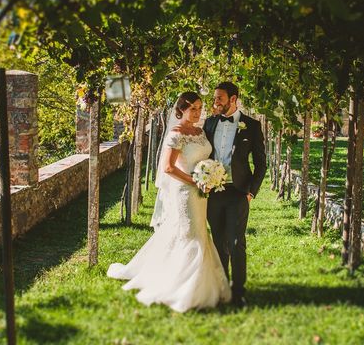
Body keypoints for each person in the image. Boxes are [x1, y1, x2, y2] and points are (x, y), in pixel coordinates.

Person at [107, 91, 231, 312]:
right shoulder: (176, 134)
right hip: (184, 191)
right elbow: (168, 168)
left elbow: (205, 158)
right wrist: (195, 181)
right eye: (192, 108)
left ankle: (201, 285)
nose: (197, 112)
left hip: (201, 192)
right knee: (189, 234)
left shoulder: (200, 132)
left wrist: (211, 175)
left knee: (198, 232)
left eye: (200, 107)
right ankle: (184, 289)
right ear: (181, 109)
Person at [204, 81, 266, 308]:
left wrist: (251, 192)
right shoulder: (209, 123)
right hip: (213, 192)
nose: (215, 102)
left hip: (239, 192)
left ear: (233, 99)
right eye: (215, 98)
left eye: (219, 98)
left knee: (237, 241)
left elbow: (261, 163)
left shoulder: (252, 125)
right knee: (219, 242)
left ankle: (238, 293)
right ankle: (223, 289)